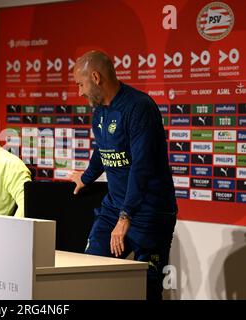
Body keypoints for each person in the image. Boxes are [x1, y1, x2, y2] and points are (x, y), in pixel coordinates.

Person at [69, 50, 178, 300]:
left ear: (95, 77)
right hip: (114, 210)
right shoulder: (99, 111)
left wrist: (126, 216)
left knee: (147, 289)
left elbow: (142, 167)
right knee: (88, 273)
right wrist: (86, 177)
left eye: (80, 84)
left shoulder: (140, 107)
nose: (79, 92)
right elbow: (103, 149)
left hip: (150, 214)